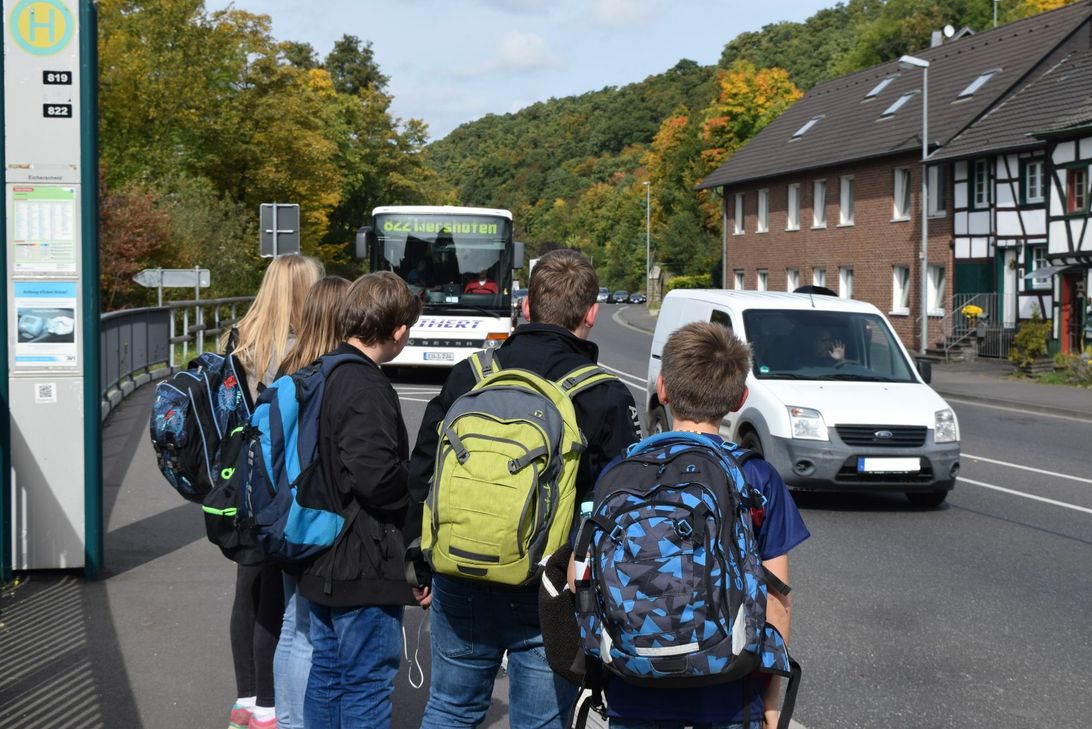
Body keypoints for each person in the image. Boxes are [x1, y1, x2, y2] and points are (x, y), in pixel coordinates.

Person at [409, 248, 642, 729]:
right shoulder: (604, 394)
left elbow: (423, 470)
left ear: (527, 306)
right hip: (549, 584)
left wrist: (420, 560)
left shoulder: (470, 375)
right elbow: (621, 509)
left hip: (459, 568)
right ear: (591, 314)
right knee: (538, 721)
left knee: (451, 708)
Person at [604, 321, 809, 729]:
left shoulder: (619, 472)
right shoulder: (757, 477)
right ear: (739, 398)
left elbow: (582, 582)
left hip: (632, 687)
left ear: (662, 388)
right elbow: (776, 602)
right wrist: (770, 700)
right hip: (730, 691)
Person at [296, 271, 423, 729]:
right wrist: (418, 478)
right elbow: (376, 480)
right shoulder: (364, 386)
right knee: (366, 685)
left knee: (328, 677)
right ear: (398, 331)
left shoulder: (323, 371)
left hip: (321, 555)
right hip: (361, 561)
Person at [224, 253, 323, 729]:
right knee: (275, 598)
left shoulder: (238, 340)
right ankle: (268, 705)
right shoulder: (297, 351)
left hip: (235, 484)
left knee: (248, 587)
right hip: (278, 486)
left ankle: (246, 699)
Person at [271, 275, 352, 729]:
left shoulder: (290, 368)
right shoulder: (332, 375)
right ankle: (302, 721)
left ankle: (287, 719)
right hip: (317, 517)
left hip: (282, 513)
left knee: (291, 623)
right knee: (308, 631)